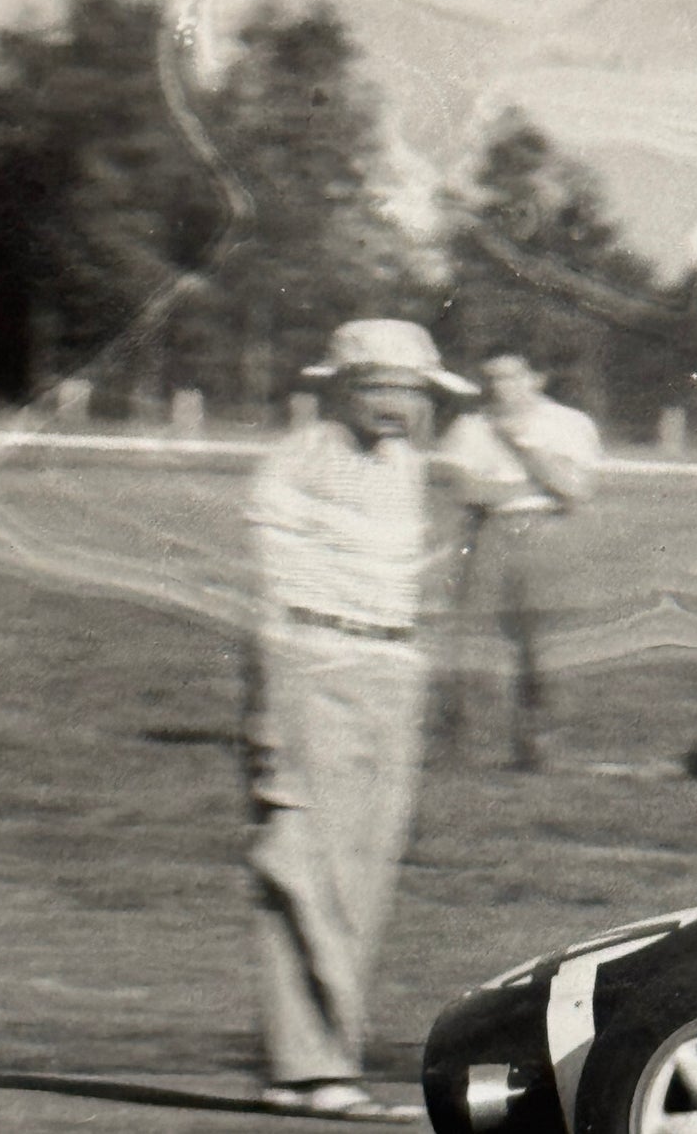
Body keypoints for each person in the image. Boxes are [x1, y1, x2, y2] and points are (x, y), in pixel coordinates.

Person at [245, 318, 477, 1120]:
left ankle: (309, 1065)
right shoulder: (294, 464)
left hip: (390, 670)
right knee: (308, 864)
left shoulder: (407, 469)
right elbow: (271, 599)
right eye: (378, 385)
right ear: (337, 387)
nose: (397, 402)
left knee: (363, 873)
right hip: (314, 664)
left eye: (411, 389)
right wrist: (272, 718)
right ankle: (311, 1068)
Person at [436, 348, 602, 771]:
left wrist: (520, 447)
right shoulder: (471, 425)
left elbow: (576, 489)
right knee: (476, 643)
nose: (499, 387)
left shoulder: (568, 423)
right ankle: (465, 750)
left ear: (536, 378)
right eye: (491, 378)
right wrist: (534, 485)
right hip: (488, 533)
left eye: (510, 377)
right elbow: (465, 490)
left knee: (545, 646)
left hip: (549, 535)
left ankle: (540, 751)